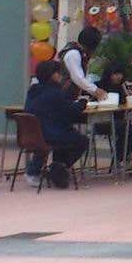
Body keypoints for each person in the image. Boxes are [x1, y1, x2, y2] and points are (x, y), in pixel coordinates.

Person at [23, 59, 88, 188]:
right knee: (81, 141)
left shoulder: (32, 91)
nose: (60, 76)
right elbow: (71, 111)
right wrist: (82, 103)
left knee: (65, 137)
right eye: (58, 73)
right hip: (50, 134)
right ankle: (57, 167)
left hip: (32, 135)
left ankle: (46, 169)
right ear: (52, 75)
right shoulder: (55, 93)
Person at [59, 25, 109, 102]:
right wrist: (96, 90)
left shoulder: (80, 54)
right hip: (63, 96)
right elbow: (78, 78)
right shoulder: (73, 53)